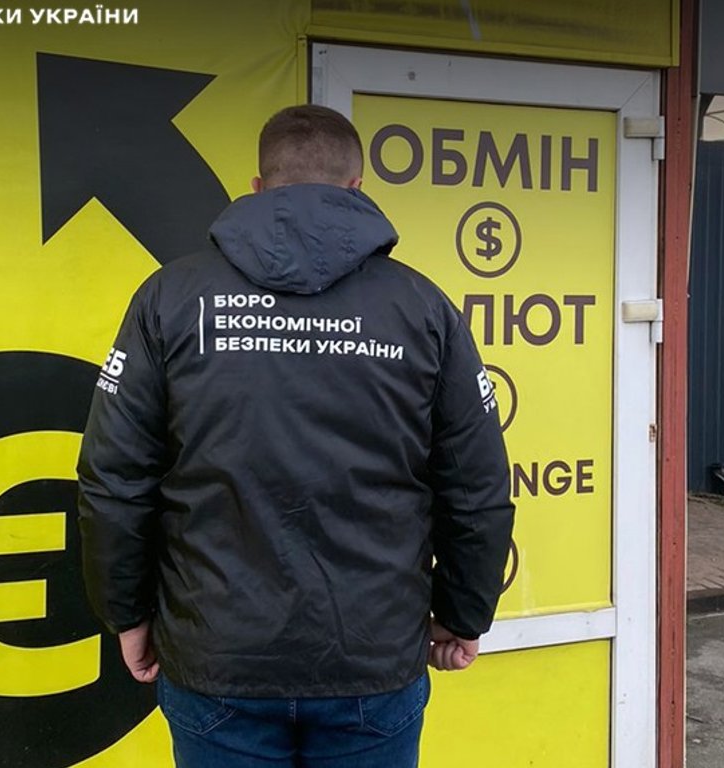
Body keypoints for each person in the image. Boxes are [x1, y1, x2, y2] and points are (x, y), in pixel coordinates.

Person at [77, 104, 515, 768]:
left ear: (258, 187)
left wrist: (126, 614)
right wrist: (463, 613)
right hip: (370, 659)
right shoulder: (423, 307)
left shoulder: (169, 298)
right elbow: (475, 484)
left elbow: (114, 480)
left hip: (218, 655)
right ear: (357, 187)